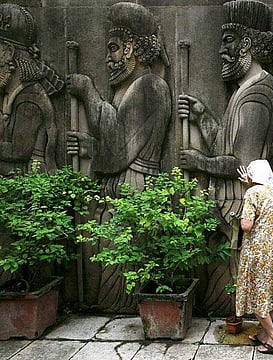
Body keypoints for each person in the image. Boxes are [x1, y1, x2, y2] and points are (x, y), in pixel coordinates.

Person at [178, 0, 273, 313]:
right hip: (231, 211)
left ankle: (261, 322)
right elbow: (227, 146)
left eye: (228, 41)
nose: (221, 51)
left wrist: (200, 162)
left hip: (242, 208)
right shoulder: (244, 90)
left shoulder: (258, 95)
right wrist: (203, 116)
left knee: (241, 278)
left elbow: (241, 164)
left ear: (247, 44)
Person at [66, 2, 172, 312]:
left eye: (113, 49)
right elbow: (120, 141)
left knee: (120, 274)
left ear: (132, 49)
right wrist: (90, 145)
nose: (107, 58)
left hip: (135, 187)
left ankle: (125, 311)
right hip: (120, 184)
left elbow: (118, 148)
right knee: (110, 261)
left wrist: (87, 91)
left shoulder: (150, 86)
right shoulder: (127, 89)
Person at [0, 3, 63, 176]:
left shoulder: (31, 97)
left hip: (30, 182)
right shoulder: (10, 94)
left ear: (8, 52)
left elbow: (19, 151)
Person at [236, 159, 273, 354]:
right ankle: (264, 334)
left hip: (257, 252)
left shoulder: (252, 193)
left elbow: (246, 225)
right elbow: (263, 199)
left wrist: (244, 217)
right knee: (268, 294)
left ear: (252, 175)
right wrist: (250, 183)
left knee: (258, 294)